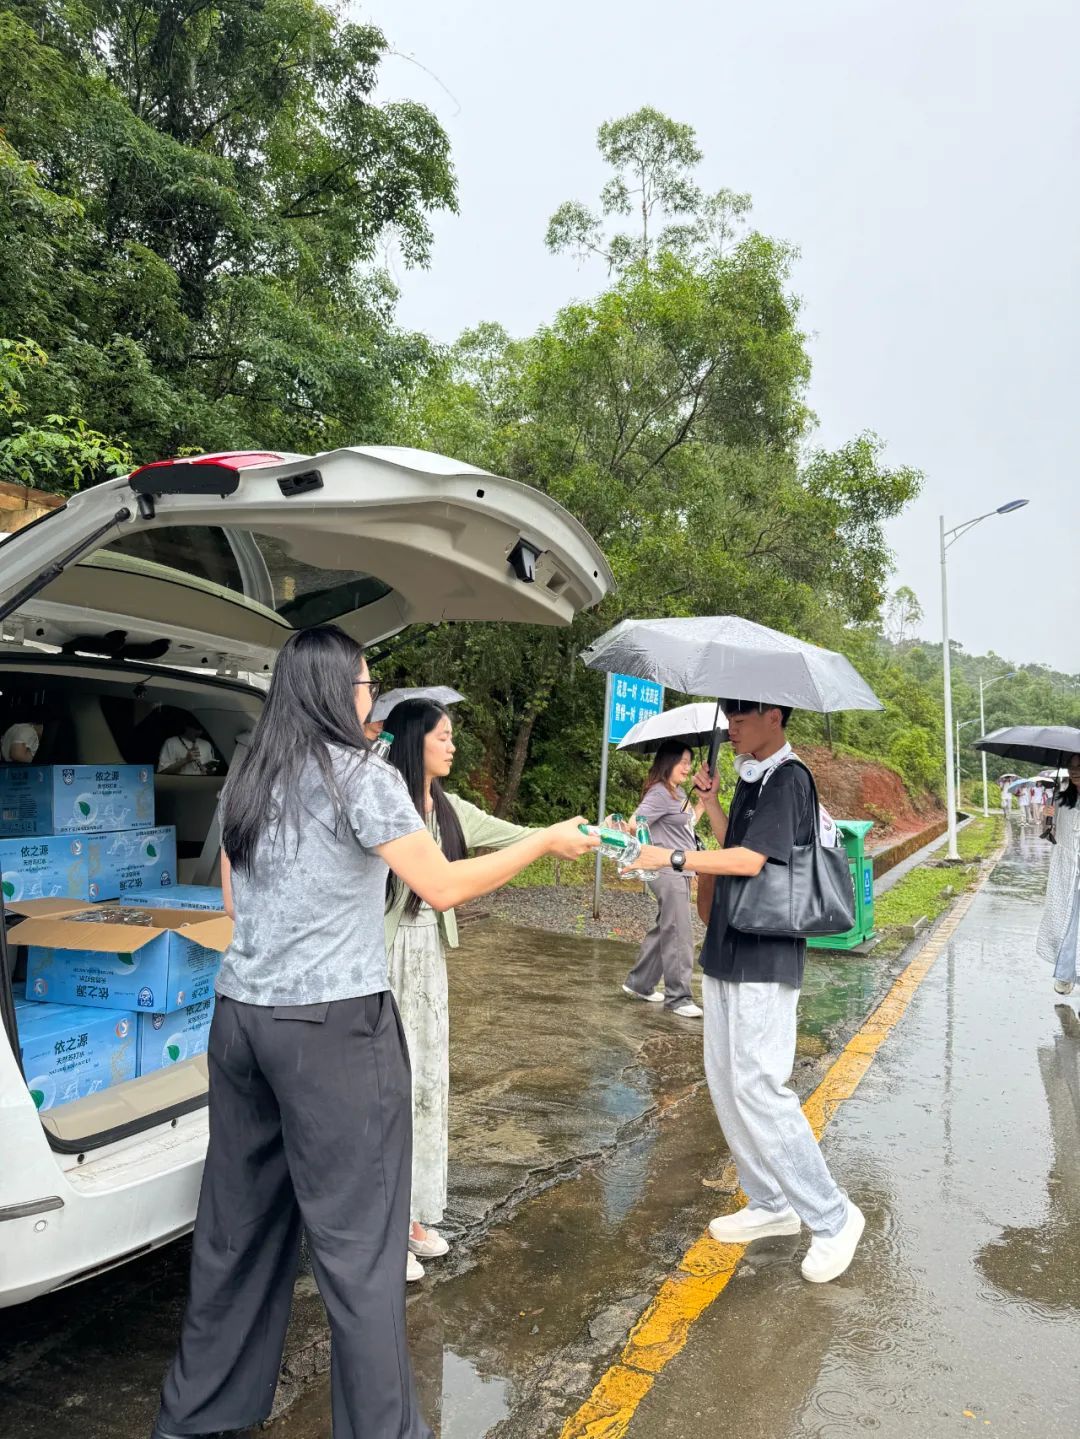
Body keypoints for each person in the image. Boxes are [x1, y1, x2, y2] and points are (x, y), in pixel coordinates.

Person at [150, 625, 597, 1439]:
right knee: (359, 1251)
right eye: (365, 685)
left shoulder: (250, 775)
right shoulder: (358, 775)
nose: (372, 700)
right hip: (334, 1033)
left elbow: (229, 903)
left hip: (242, 1021)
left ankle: (198, 1418)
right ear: (333, 692)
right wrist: (544, 840)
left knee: (235, 1233)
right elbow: (441, 883)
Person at [635, 698, 865, 1285]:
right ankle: (770, 1203)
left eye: (743, 714)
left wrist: (671, 855)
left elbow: (748, 860)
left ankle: (834, 1216)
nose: (732, 724)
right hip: (730, 944)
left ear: (775, 716)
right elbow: (735, 847)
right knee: (727, 1081)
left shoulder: (788, 779)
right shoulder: (753, 779)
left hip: (765, 948)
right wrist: (712, 805)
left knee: (760, 1086)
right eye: (729, 714)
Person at [383, 697, 535, 1281]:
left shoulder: (445, 807)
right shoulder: (386, 803)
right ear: (413, 740)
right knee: (391, 1087)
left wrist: (581, 834)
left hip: (428, 958)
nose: (451, 745)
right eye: (441, 736)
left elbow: (516, 835)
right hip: (385, 957)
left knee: (427, 1084)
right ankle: (386, 1226)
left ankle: (416, 1215)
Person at [621, 741, 706, 1018]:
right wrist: (651, 848)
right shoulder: (659, 793)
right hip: (667, 871)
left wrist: (704, 798)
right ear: (667, 762)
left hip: (679, 869)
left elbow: (689, 822)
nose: (687, 767)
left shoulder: (677, 792)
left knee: (665, 928)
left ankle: (640, 984)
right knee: (679, 931)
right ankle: (678, 998)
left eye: (689, 762)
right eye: (682, 761)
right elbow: (635, 823)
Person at [1036, 754, 1080, 998]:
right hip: (1067, 871)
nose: (1074, 772)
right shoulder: (1062, 798)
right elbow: (1050, 835)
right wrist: (1047, 818)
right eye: (1071, 767)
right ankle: (1066, 974)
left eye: (1079, 767)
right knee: (1069, 923)